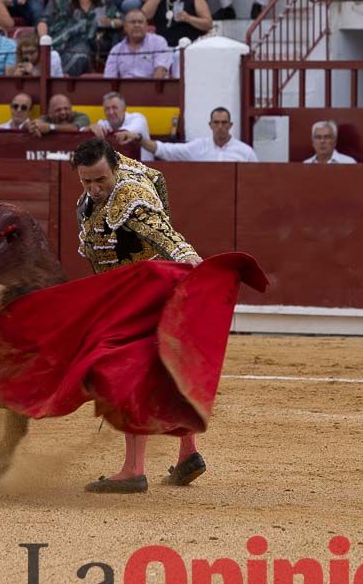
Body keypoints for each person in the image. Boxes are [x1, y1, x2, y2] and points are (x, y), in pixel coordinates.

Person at [68, 137, 203, 493]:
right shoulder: (100, 188)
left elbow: (164, 233)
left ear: (114, 168)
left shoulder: (130, 196)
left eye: (101, 179)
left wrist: (187, 257)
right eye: (87, 181)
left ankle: (133, 470)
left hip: (141, 298)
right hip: (128, 294)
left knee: (126, 376)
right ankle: (188, 453)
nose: (95, 188)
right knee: (162, 375)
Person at [38, 0, 120, 75]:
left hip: (90, 48)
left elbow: (122, 20)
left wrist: (110, 23)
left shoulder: (103, 3)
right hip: (60, 46)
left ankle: (60, 79)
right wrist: (45, 41)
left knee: (81, 52)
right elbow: (43, 22)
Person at [119, 106, 259, 161]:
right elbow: (165, 150)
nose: (220, 127)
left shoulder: (245, 152)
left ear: (230, 125)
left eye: (224, 123)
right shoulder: (198, 147)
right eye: (216, 123)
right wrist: (139, 138)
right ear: (210, 125)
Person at [105, 9, 176, 78]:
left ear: (146, 26)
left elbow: (160, 73)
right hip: (125, 89)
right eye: (133, 22)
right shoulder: (116, 50)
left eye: (140, 22)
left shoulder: (158, 42)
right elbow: (109, 78)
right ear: (125, 27)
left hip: (152, 88)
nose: (137, 25)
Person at [88, 91, 154, 159]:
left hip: (145, 167)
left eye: (114, 108)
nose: (111, 112)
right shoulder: (103, 123)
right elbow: (81, 134)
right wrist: (89, 128)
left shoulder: (138, 119)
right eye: (107, 109)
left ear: (124, 108)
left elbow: (123, 133)